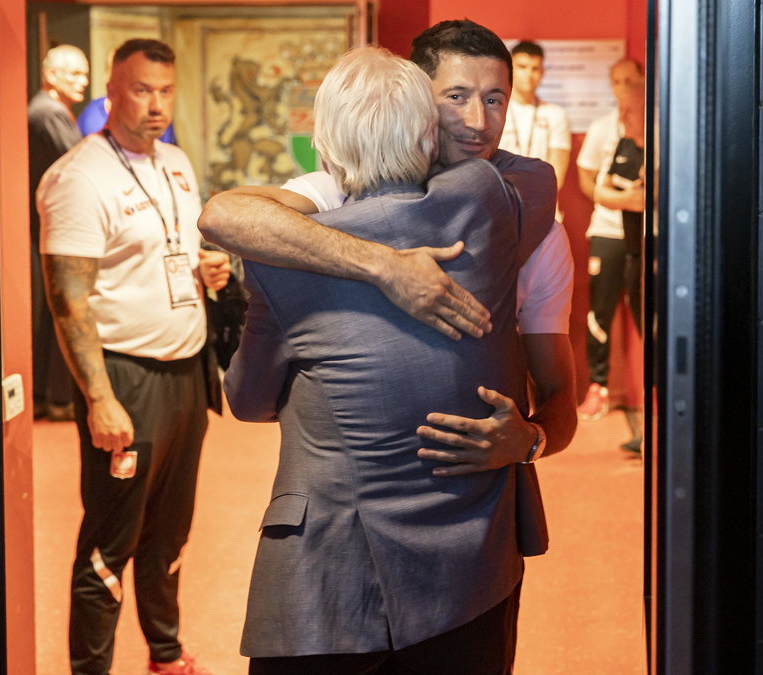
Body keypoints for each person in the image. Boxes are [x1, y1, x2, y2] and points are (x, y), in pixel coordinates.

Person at [225, 45, 556, 672]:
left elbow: (247, 402)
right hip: (470, 572)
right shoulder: (489, 202)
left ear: (324, 144)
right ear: (429, 132)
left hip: (330, 588)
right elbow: (536, 177)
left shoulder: (282, 255)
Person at [198, 19, 578, 478]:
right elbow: (223, 216)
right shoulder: (336, 190)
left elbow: (559, 393)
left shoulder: (533, 221)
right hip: (350, 485)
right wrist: (384, 265)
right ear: (418, 102)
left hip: (470, 502)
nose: (478, 122)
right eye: (456, 97)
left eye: (494, 99)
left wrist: (532, 441)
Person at [37, 38, 229, 675]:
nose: (156, 104)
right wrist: (99, 398)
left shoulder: (174, 162)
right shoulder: (78, 176)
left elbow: (173, 250)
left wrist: (211, 269)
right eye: (142, 89)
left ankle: (165, 652)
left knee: (169, 533)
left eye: (166, 91)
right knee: (108, 545)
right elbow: (68, 303)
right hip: (125, 378)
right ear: (112, 92)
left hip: (186, 374)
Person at [574, 57, 646, 423]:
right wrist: (615, 199)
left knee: (647, 312)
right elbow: (588, 182)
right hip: (606, 231)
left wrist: (640, 201)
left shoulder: (657, 124)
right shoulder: (603, 127)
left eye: (630, 80)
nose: (623, 87)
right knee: (599, 311)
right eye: (616, 81)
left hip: (648, 234)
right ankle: (597, 388)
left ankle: (656, 390)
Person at [30, 44, 89, 422]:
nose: (83, 82)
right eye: (74, 74)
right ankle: (55, 397)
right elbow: (79, 164)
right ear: (51, 74)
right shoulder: (48, 112)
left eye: (85, 74)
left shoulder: (50, 109)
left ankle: (49, 396)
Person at [499, 41, 571, 209]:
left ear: (543, 72)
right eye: (522, 67)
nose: (528, 74)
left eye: (535, 68)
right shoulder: (495, 110)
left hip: (542, 206)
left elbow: (556, 175)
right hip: (500, 204)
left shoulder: (555, 114)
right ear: (510, 69)